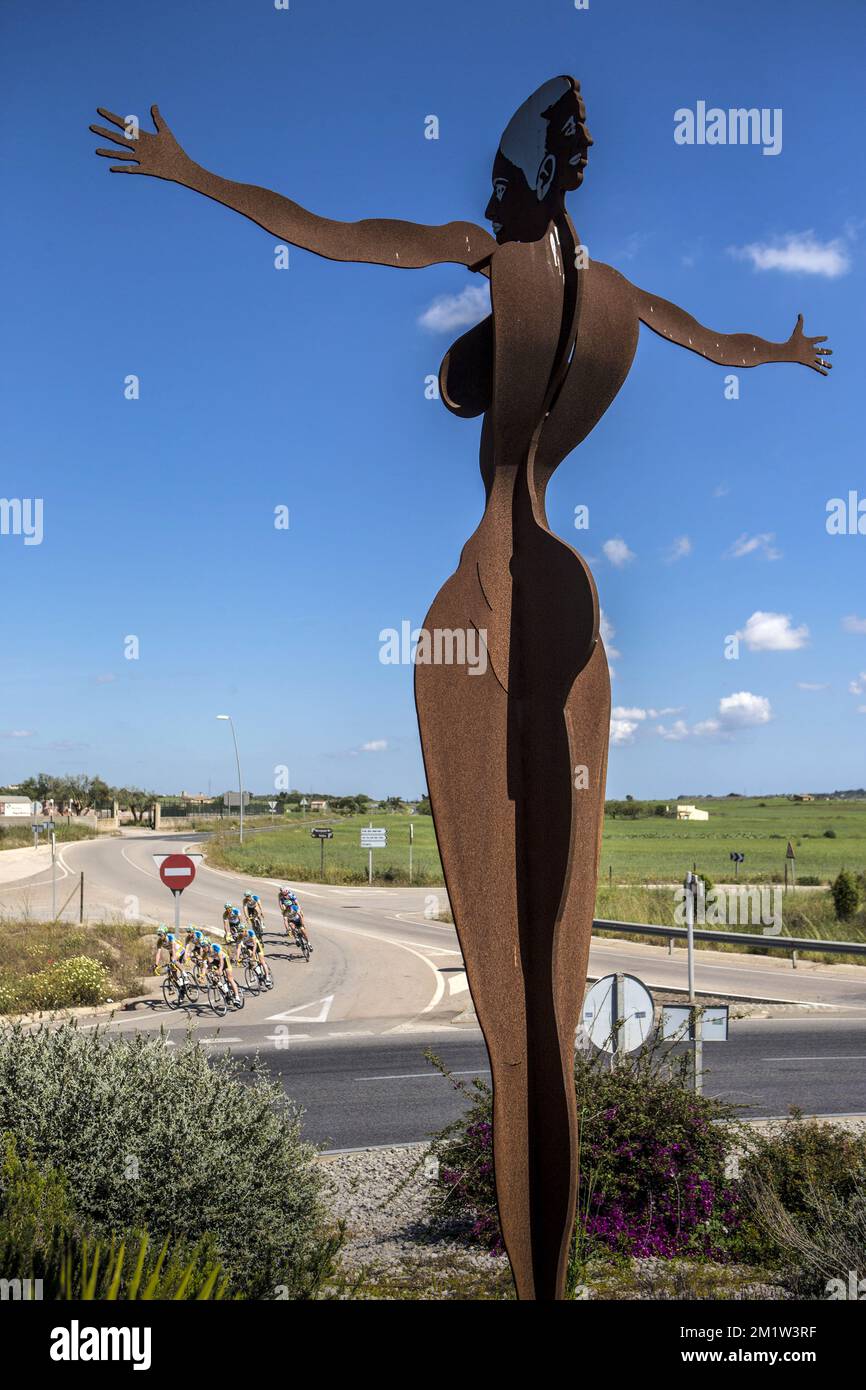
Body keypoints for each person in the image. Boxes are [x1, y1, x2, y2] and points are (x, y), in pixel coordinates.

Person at [91, 82, 830, 1301]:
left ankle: (539, 1249)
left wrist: (196, 174)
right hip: (568, 599)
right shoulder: (614, 294)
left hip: (486, 593)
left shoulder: (489, 250)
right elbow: (714, 341)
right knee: (547, 954)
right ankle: (552, 1260)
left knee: (518, 977)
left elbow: (332, 231)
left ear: (502, 178)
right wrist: (781, 351)